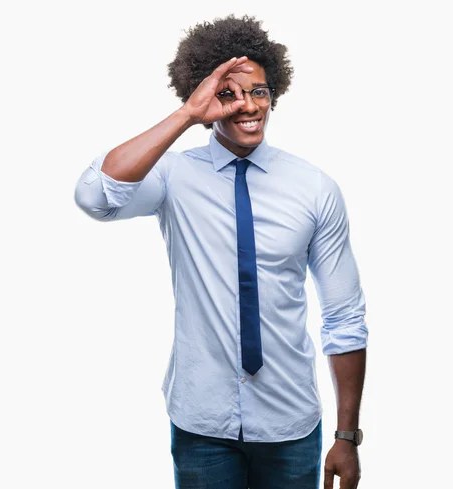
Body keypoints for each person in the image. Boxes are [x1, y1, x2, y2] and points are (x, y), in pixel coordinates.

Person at [74, 14, 368, 489]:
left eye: (258, 91)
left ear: (275, 94)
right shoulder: (173, 177)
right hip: (202, 423)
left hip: (290, 423)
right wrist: (187, 115)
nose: (246, 105)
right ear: (205, 95)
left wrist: (347, 435)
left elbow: (344, 316)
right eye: (227, 94)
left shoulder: (315, 188)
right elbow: (95, 196)